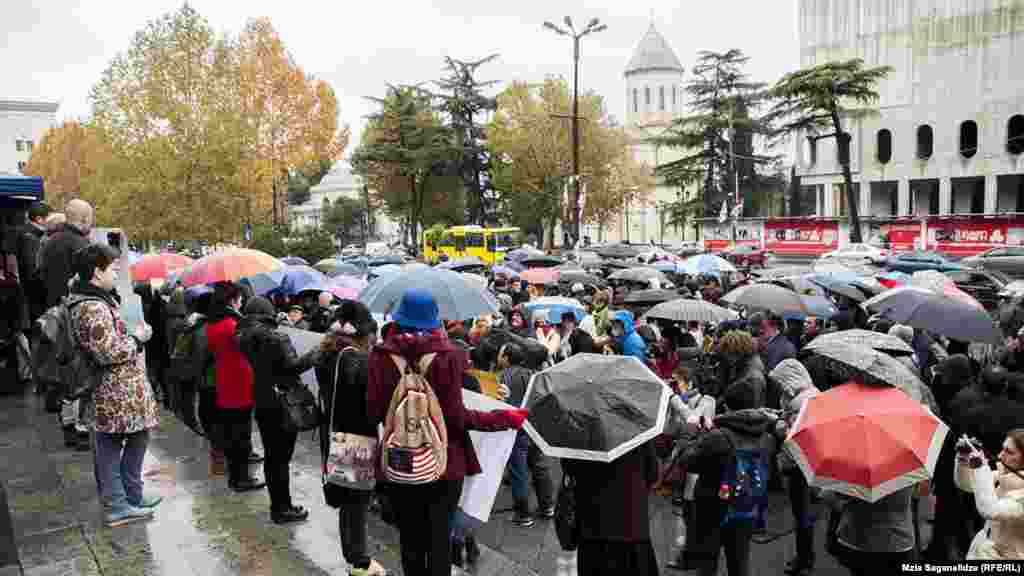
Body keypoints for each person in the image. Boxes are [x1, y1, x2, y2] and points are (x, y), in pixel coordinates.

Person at [366, 288, 528, 576]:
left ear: (399, 318)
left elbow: (375, 412)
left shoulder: (380, 357)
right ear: (434, 320)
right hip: (444, 462)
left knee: (410, 539)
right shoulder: (448, 356)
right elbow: (455, 417)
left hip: (399, 460)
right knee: (439, 538)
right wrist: (502, 418)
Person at [68, 244, 162, 527]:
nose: (117, 271)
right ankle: (118, 505)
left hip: (121, 388)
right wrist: (138, 339)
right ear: (97, 271)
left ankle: (131, 496)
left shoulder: (96, 300)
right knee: (110, 446)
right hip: (113, 389)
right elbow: (107, 352)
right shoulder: (92, 306)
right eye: (112, 267)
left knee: (137, 437)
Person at [237, 296, 324, 524]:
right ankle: (282, 508)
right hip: (283, 402)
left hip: (262, 400)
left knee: (272, 457)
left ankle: (279, 504)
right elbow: (292, 367)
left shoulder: (241, 337)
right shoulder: (278, 337)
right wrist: (316, 353)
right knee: (281, 458)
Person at [316, 300, 386, 575]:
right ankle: (360, 562)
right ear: (363, 333)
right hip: (355, 437)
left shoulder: (327, 352)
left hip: (334, 432)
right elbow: (368, 399)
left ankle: (354, 556)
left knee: (348, 502)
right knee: (356, 503)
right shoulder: (356, 359)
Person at [679, 408, 778, 576]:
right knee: (739, 562)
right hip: (746, 509)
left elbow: (687, 462)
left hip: (712, 509)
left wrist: (690, 434)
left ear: (727, 408)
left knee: (708, 562)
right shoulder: (767, 439)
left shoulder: (718, 437)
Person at [563, 441, 660, 575]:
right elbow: (652, 474)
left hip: (593, 527)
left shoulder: (581, 431)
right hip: (632, 526)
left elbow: (569, 469)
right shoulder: (638, 433)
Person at [206, 281, 264, 492]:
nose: (241, 303)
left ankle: (235, 475)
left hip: (224, 380)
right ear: (232, 300)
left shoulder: (212, 323)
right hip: (239, 382)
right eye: (240, 299)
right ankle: (241, 478)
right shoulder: (233, 325)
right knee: (241, 433)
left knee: (230, 432)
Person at [769, 360, 820, 576]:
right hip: (801, 464)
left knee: (802, 513)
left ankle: (805, 559)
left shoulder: (803, 402)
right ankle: (805, 557)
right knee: (801, 512)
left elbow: (798, 438)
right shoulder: (801, 396)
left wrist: (780, 427)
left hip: (801, 465)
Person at [497, 343, 554, 528]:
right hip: (535, 427)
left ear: (506, 358)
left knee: (518, 471)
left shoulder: (504, 376)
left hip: (516, 429)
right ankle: (547, 506)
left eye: (500, 353)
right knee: (539, 466)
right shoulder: (533, 375)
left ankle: (523, 514)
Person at [955, 430, 1024, 560]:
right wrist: (963, 460)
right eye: (1003, 449)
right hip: (983, 550)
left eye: (1009, 452)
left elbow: (990, 510)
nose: (1000, 455)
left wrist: (980, 466)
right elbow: (967, 485)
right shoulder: (1003, 477)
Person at [38, 198, 93, 309]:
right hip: (73, 308)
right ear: (85, 219)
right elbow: (90, 279)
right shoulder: (82, 245)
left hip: (52, 306)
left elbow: (41, 271)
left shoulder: (50, 241)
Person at [17, 202, 49, 323]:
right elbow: (32, 270)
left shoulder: (28, 234)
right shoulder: (30, 238)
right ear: (39, 219)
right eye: (49, 218)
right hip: (32, 298)